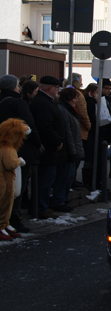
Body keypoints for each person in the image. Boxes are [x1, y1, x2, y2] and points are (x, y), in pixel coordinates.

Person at [0, 75, 41, 232]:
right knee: (16, 188)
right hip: (19, 150)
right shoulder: (18, 102)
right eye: (17, 86)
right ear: (12, 87)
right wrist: (38, 144)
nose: (19, 88)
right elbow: (29, 125)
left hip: (2, 149)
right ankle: (12, 220)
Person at [30, 76, 66, 219]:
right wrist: (57, 141)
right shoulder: (42, 102)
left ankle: (41, 206)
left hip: (49, 148)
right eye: (56, 88)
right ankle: (41, 207)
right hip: (47, 149)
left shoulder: (46, 101)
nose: (58, 90)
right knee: (45, 180)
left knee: (47, 179)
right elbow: (45, 126)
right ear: (49, 88)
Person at [53, 88, 85, 212]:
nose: (76, 101)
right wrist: (72, 151)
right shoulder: (64, 110)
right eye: (75, 98)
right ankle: (59, 201)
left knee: (69, 176)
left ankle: (62, 200)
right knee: (64, 177)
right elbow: (68, 133)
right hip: (68, 149)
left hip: (72, 147)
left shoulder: (69, 110)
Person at [0, 118, 28, 241]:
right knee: (5, 203)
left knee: (7, 203)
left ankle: (5, 225)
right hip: (5, 180)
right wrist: (20, 161)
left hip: (5, 179)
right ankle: (2, 225)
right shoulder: (8, 149)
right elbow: (10, 164)